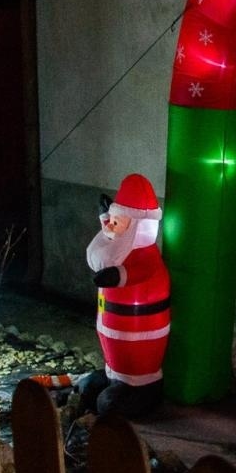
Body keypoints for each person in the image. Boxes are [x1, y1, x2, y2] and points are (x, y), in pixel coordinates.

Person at [83, 173, 171, 418]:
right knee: (93, 392)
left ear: (136, 224)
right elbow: (109, 244)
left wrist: (117, 276)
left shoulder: (146, 259)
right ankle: (114, 376)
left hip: (141, 358)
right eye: (110, 219)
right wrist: (106, 218)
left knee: (110, 405)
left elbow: (134, 272)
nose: (110, 226)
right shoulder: (120, 249)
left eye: (116, 221)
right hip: (112, 338)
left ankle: (137, 389)